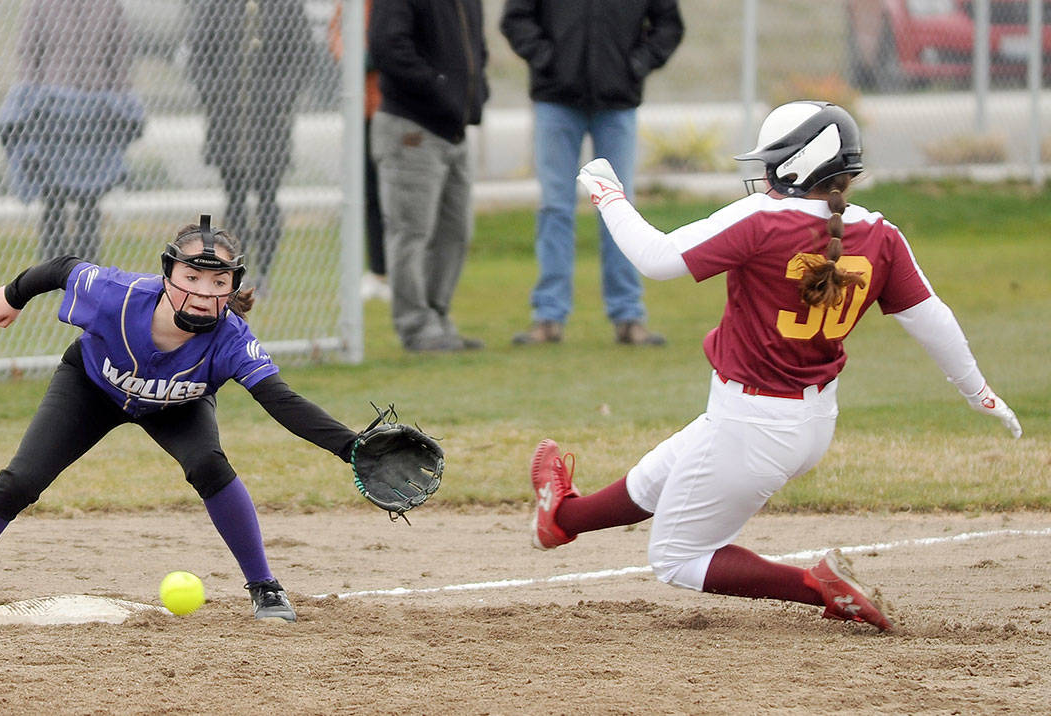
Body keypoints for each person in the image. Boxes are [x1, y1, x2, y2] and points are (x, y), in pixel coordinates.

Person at [530, 101, 1023, 632]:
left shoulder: (764, 219)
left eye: (772, 163)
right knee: (660, 476)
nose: (764, 176)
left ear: (794, 167)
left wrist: (609, 196)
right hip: (808, 424)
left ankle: (816, 587)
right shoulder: (881, 233)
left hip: (753, 422)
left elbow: (656, 259)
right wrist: (978, 391)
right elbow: (933, 320)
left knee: (675, 558)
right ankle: (561, 519)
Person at [0, 216, 365, 623]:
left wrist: (352, 447)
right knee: (19, 481)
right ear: (167, 275)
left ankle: (265, 587)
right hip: (90, 386)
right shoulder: (119, 294)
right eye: (191, 277)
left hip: (178, 404)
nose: (203, 293)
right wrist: (12, 295)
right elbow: (61, 268)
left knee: (209, 465)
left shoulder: (231, 338)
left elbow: (281, 399)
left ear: (232, 287)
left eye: (219, 283)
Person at [501, 0, 682, 346]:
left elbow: (668, 25)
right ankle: (549, 316)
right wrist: (547, 59)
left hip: (617, 103)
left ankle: (628, 315)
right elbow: (516, 19)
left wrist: (636, 64)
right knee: (555, 208)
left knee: (618, 208)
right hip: (555, 100)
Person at [369, 0, 488, 352]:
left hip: (454, 129)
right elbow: (387, 46)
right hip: (412, 129)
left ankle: (437, 320)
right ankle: (416, 327)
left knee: (456, 232)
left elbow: (475, 49)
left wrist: (476, 92)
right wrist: (441, 88)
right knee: (410, 232)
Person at [0, 0, 144, 264]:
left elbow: (120, 58)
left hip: (95, 115)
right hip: (53, 114)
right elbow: (29, 55)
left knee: (91, 198)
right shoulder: (40, 5)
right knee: (54, 195)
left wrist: (117, 101)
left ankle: (87, 268)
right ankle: (52, 269)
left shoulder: (109, 6)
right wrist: (35, 99)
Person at [185, 0, 312, 292]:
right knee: (235, 198)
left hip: (271, 122)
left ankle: (264, 273)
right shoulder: (216, 6)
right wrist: (215, 95)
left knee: (268, 197)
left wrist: (280, 98)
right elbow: (198, 55)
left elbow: (303, 57)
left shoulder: (286, 7)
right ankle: (234, 272)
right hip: (228, 121)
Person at [327, 0, 389, 302]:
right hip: (363, 110)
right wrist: (353, 59)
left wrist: (380, 55)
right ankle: (378, 271)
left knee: (402, 198)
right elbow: (336, 32)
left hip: (400, 110)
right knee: (370, 193)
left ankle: (402, 273)